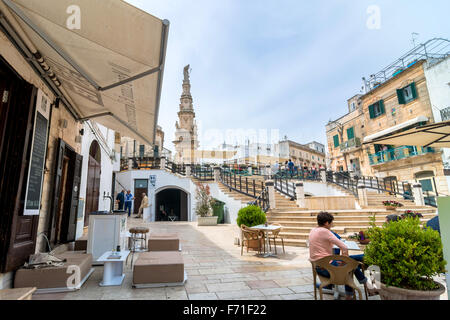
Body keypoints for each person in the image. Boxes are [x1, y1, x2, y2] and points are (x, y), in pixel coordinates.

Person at [309, 212, 376, 299]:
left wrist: (345, 259)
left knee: (352, 261)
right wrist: (345, 260)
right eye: (331, 222)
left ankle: (363, 282)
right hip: (327, 269)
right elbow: (344, 247)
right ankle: (360, 288)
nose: (332, 225)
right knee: (349, 264)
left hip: (318, 266)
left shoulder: (313, 230)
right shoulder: (325, 231)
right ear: (326, 223)